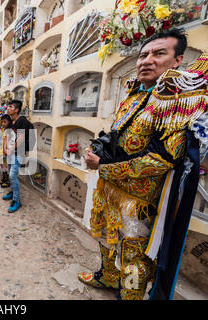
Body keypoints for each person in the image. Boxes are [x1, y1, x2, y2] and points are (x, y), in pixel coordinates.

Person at [78, 29, 207, 300]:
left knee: (134, 256)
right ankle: (108, 277)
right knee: (106, 239)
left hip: (140, 201)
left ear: (177, 60)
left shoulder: (179, 101)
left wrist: (103, 166)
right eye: (143, 55)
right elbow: (117, 134)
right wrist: (97, 149)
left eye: (159, 53)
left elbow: (162, 160)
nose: (146, 60)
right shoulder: (134, 94)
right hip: (108, 188)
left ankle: (129, 296)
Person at [2, 100, 31, 213]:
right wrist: (5, 148)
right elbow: (7, 135)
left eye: (10, 107)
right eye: (8, 106)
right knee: (10, 172)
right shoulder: (11, 121)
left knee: (12, 175)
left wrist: (10, 149)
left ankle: (17, 200)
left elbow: (21, 138)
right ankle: (13, 192)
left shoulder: (21, 121)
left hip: (18, 152)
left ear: (16, 110)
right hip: (10, 151)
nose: (8, 108)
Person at [0, 114, 13, 189]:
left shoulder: (9, 131)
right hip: (1, 151)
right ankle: (3, 178)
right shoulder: (2, 129)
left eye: (5, 122)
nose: (3, 123)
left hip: (6, 152)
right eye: (2, 122)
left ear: (9, 122)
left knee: (6, 167)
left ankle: (7, 181)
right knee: (2, 166)